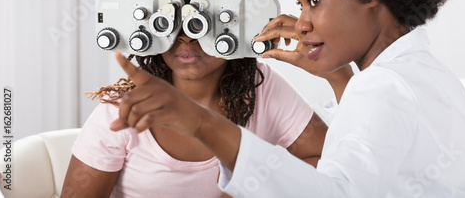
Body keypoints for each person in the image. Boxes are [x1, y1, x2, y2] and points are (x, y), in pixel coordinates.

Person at [107, 0, 465, 197]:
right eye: (299, 4)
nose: (301, 24)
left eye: (314, 1)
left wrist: (203, 124)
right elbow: (361, 154)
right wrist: (338, 77)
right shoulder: (424, 74)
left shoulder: (383, 86)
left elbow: (335, 192)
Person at [61, 30, 347, 198]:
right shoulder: (123, 107)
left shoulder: (262, 86)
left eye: (203, 24)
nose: (187, 38)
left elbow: (326, 160)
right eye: (173, 24)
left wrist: (249, 185)